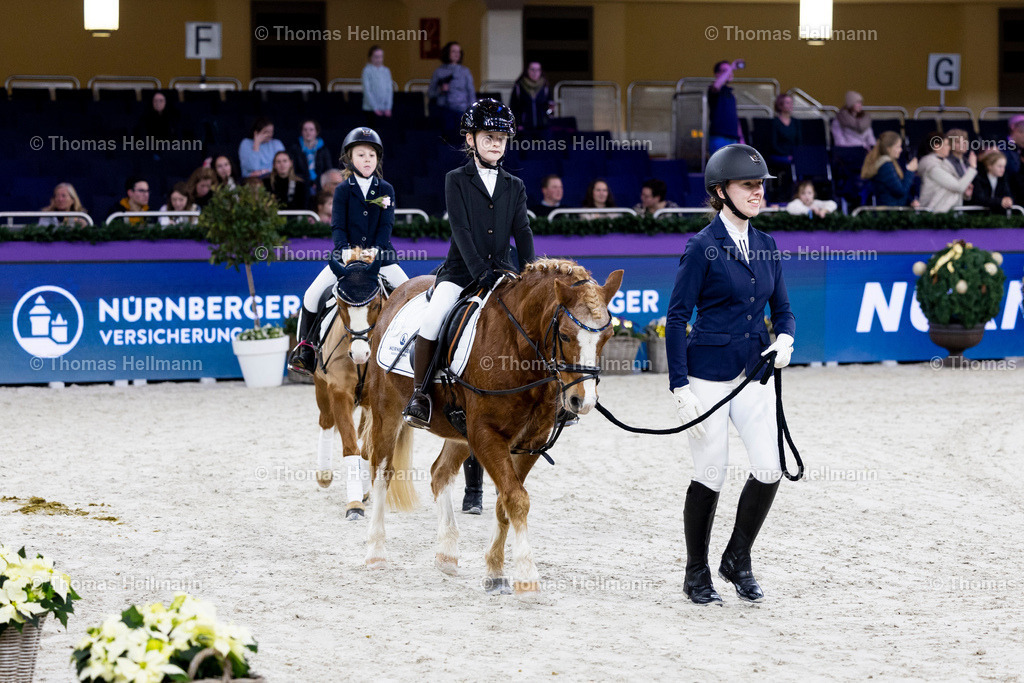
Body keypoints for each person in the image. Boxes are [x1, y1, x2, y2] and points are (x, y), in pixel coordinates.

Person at [666, 143, 795, 605]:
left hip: (754, 371)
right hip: (706, 375)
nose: (758, 192)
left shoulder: (766, 245)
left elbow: (783, 311)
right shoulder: (702, 247)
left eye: (760, 185)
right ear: (721, 192)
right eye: (748, 185)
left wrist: (785, 339)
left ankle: (737, 558)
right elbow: (677, 317)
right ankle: (695, 572)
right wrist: (679, 385)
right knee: (711, 472)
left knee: (769, 468)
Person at [403, 98, 534, 430]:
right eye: (488, 137)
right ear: (470, 139)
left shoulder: (514, 185)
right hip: (461, 273)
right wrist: (479, 272)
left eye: (500, 139)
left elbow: (523, 231)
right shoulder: (456, 180)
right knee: (433, 319)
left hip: (503, 273)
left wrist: (530, 274)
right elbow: (459, 230)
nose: (495, 144)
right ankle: (420, 394)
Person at [289, 127, 409, 377]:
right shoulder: (343, 190)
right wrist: (344, 251)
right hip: (347, 258)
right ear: (350, 160)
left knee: (412, 295)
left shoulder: (386, 188)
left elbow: (386, 225)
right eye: (361, 155)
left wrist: (375, 250)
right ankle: (306, 350)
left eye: (371, 156)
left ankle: (413, 352)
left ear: (378, 159)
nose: (367, 160)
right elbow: (338, 225)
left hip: (382, 259)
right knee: (312, 295)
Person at [917, 132, 977, 213]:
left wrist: (965, 194)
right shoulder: (932, 167)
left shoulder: (944, 164)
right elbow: (958, 187)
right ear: (937, 146)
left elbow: (949, 190)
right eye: (946, 145)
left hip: (946, 212)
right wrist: (972, 168)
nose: (949, 147)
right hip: (935, 214)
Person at [861, 131, 918, 207]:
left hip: (892, 211)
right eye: (898, 147)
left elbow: (896, 190)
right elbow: (900, 191)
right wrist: (910, 171)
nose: (901, 150)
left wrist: (910, 201)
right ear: (888, 149)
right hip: (889, 214)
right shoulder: (885, 165)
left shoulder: (888, 163)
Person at [429, 42, 476, 134]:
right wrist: (441, 91)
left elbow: (471, 92)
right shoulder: (439, 71)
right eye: (453, 51)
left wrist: (472, 111)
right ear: (447, 53)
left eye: (458, 52)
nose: (456, 54)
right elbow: (431, 93)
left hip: (462, 110)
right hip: (444, 110)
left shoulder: (465, 71)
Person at [708, 60, 745, 154]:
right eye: (725, 70)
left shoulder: (731, 94)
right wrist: (731, 67)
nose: (729, 73)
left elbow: (735, 118)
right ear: (717, 74)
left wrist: (741, 138)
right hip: (719, 136)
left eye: (730, 71)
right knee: (719, 167)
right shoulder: (713, 90)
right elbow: (716, 86)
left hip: (733, 137)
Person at [768, 93, 801, 200]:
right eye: (787, 103)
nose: (790, 105)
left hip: (793, 155)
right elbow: (773, 144)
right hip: (778, 155)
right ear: (780, 105)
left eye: (791, 103)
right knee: (789, 167)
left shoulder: (796, 122)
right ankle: (784, 195)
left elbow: (799, 142)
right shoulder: (775, 123)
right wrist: (786, 155)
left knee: (802, 164)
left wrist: (795, 155)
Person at [288, 119, 333, 192]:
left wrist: (317, 182)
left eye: (311, 130)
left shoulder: (324, 150)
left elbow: (328, 169)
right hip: (300, 184)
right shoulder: (295, 149)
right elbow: (292, 170)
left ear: (317, 132)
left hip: (320, 184)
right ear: (301, 132)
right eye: (305, 130)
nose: (308, 132)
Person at [509, 61, 551, 133]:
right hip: (524, 127)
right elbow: (514, 107)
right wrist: (518, 124)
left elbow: (549, 104)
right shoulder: (519, 86)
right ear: (527, 70)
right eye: (532, 70)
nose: (535, 73)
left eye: (538, 70)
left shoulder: (545, 86)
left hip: (543, 127)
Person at [970, 150, 1015, 214]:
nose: (1003, 169)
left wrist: (1009, 200)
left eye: (1004, 166)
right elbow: (980, 199)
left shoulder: (1003, 178)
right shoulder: (978, 178)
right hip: (979, 216)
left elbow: (1008, 194)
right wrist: (1000, 201)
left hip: (997, 216)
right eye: (999, 166)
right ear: (989, 166)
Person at [361, 45, 393, 117]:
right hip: (370, 109)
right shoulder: (367, 71)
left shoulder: (386, 71)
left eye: (381, 57)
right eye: (376, 57)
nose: (379, 59)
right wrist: (374, 107)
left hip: (384, 108)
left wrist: (388, 107)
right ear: (371, 57)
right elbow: (367, 90)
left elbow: (389, 90)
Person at [1005, 115, 1024, 202]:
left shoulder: (1021, 148)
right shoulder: (1002, 148)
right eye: (1022, 132)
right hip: (1011, 194)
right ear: (1013, 129)